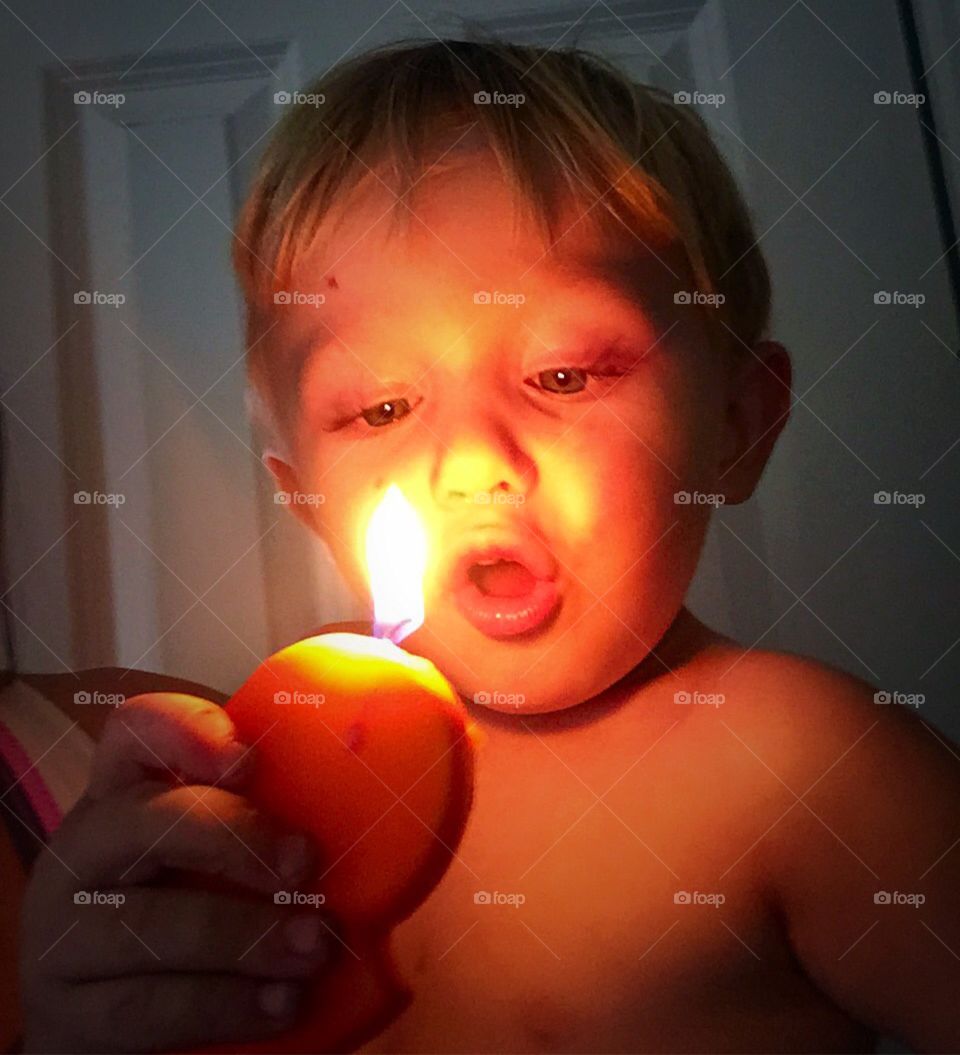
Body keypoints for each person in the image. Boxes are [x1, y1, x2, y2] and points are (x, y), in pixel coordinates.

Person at [10, 35, 960, 1053]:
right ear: (302, 499)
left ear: (738, 422)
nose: (469, 462)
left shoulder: (807, 764)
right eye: (380, 406)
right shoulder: (280, 767)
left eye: (563, 376)